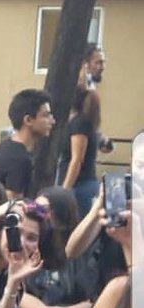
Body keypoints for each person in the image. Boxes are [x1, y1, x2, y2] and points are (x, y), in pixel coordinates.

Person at [0, 88, 54, 199]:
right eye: (46, 115)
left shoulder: (7, 147)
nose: (52, 121)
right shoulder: (19, 158)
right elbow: (14, 204)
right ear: (28, 120)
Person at [59, 87, 102, 215]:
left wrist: (65, 189)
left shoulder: (79, 123)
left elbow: (77, 159)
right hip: (85, 183)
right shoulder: (87, 122)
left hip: (78, 186)